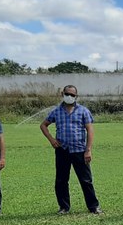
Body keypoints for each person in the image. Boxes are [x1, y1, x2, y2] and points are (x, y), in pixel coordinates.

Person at [40, 85, 102, 215]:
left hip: (79, 150)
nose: (69, 97)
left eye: (72, 95)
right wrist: (52, 140)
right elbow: (43, 125)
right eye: (67, 94)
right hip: (62, 150)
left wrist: (88, 149)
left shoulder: (83, 111)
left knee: (86, 180)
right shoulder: (56, 111)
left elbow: (90, 130)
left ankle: (93, 206)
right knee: (61, 180)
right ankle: (64, 207)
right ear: (62, 94)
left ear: (76, 96)